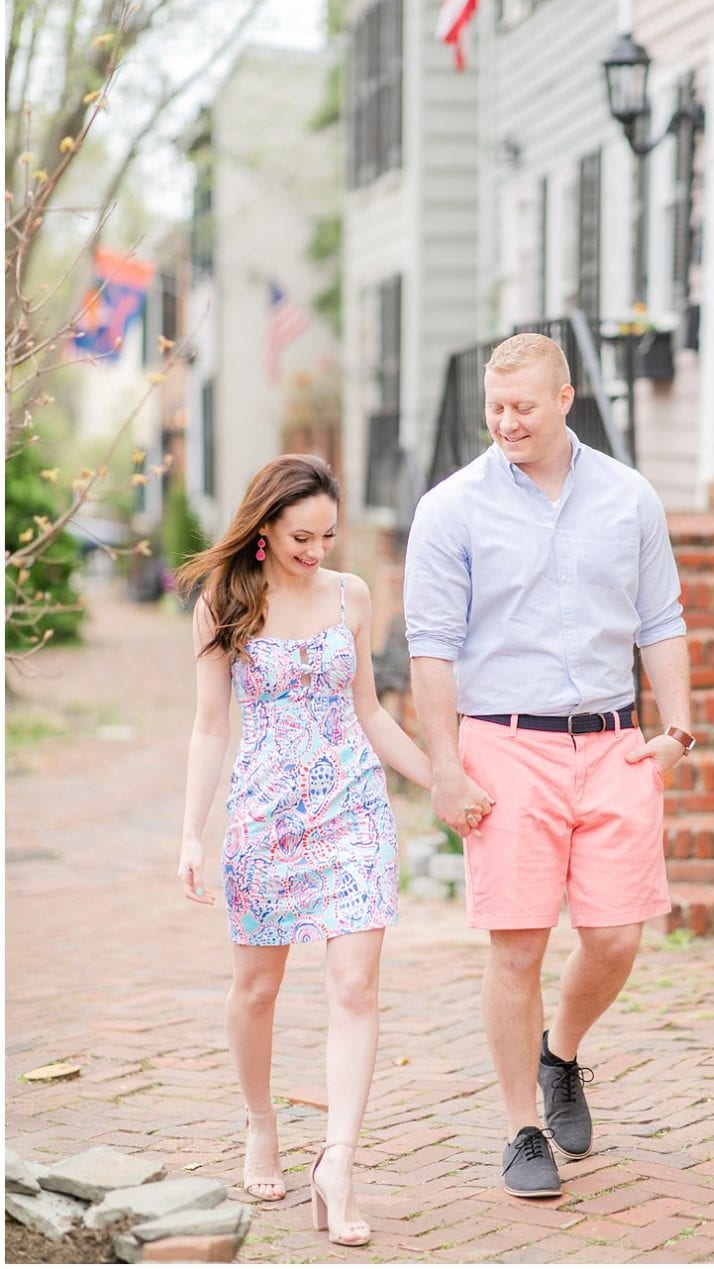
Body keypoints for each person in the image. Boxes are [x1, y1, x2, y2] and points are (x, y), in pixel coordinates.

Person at [404, 333, 693, 1198]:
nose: (507, 421)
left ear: (566, 397)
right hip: (504, 741)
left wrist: (677, 726)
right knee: (519, 943)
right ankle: (520, 1125)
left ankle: (560, 1052)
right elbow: (431, 651)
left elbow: (661, 617)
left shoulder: (629, 497)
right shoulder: (450, 508)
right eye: (495, 408)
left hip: (612, 741)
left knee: (614, 935)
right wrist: (446, 767)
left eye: (524, 406)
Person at [175, 454, 432, 1247]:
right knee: (256, 991)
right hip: (266, 815)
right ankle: (261, 1120)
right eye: (300, 536)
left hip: (354, 809)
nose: (316, 549)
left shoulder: (351, 596)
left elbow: (371, 712)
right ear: (264, 528)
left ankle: (339, 1163)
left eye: (327, 534)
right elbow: (211, 723)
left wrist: (442, 782)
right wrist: (191, 829)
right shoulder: (223, 599)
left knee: (355, 985)